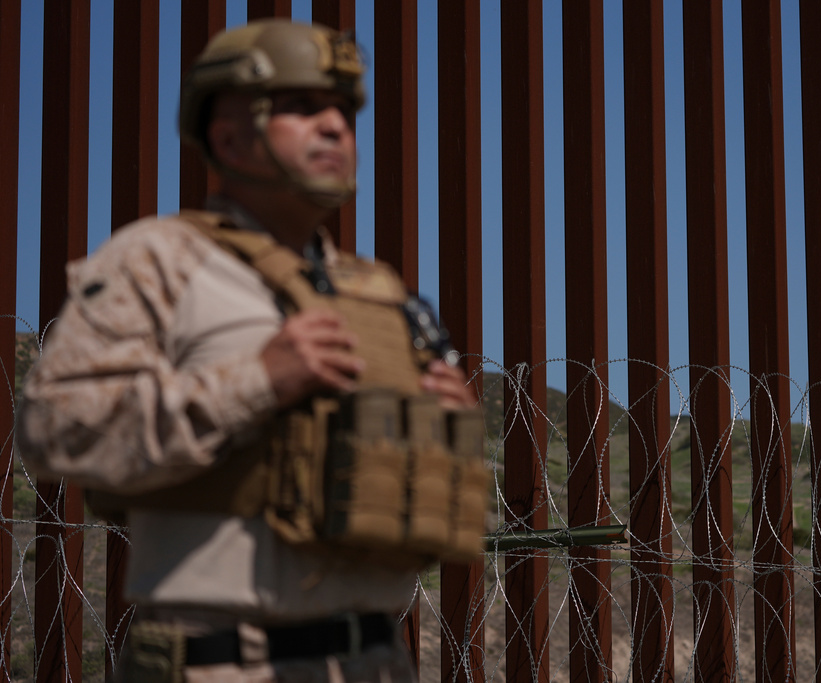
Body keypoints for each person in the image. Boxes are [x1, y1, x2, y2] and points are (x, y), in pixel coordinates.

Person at [16, 18, 479, 683]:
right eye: (299, 107)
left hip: (376, 660)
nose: (334, 126)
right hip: (219, 662)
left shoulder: (381, 294)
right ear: (226, 135)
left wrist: (445, 430)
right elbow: (54, 429)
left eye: (343, 110)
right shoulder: (156, 261)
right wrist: (258, 380)